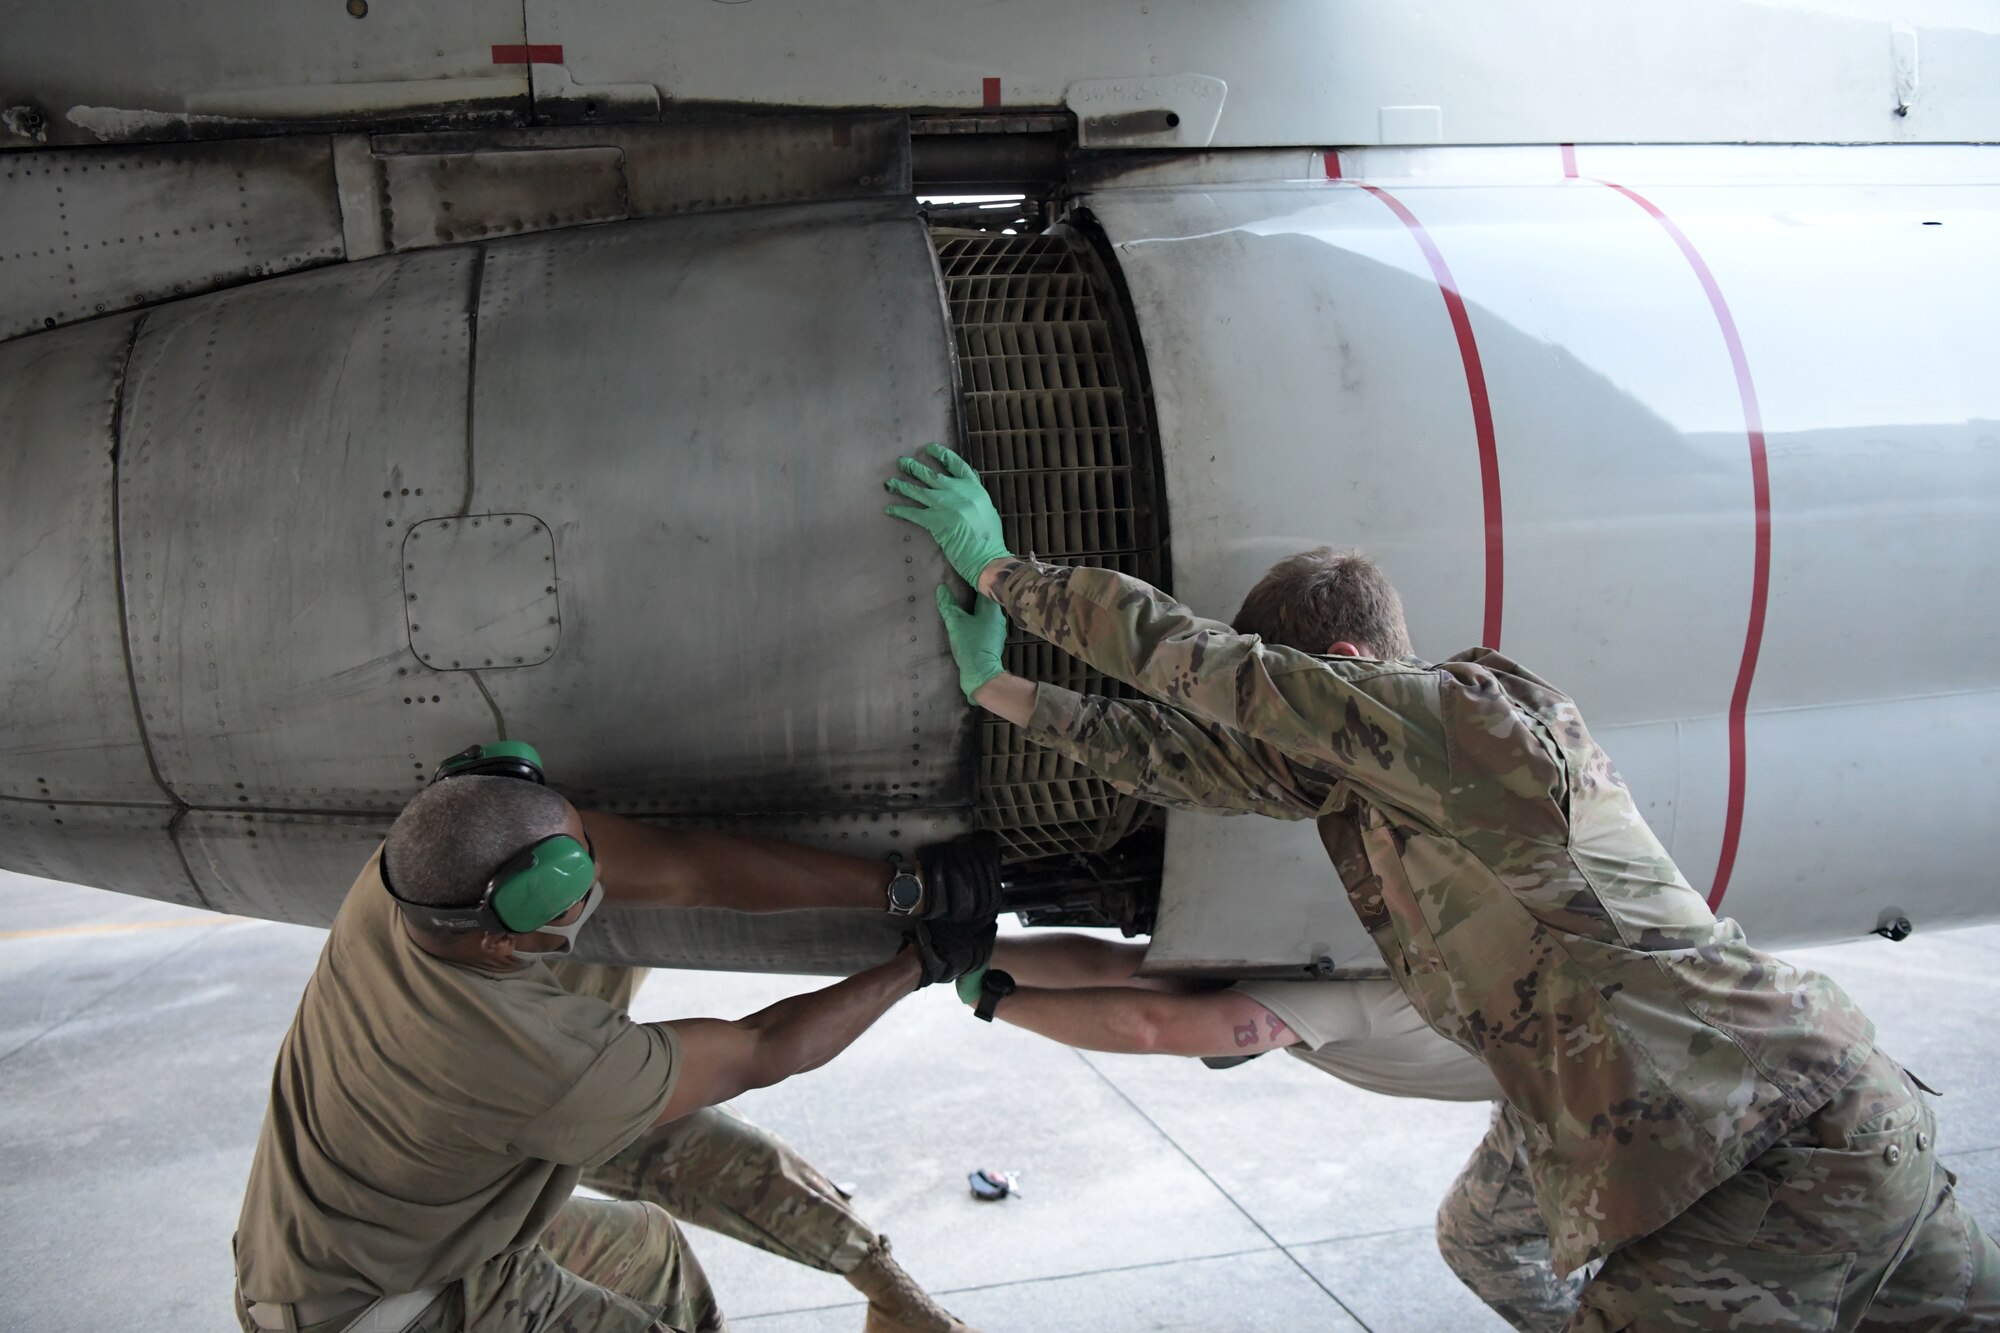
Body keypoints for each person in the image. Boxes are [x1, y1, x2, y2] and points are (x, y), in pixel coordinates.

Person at [887, 444, 2000, 1331]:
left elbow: (1211, 672)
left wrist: (1002, 572)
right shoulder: (1376, 778)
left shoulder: (1464, 725)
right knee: (1478, 1239)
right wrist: (1003, 690)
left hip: (1755, 1135)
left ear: (1344, 662)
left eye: (1302, 691)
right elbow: (1188, 756)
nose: (1282, 723)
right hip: (1653, 1118)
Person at [233, 741, 998, 1333]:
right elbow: (762, 1047)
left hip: (365, 1241)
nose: (600, 880)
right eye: (574, 889)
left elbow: (689, 872)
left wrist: (905, 887)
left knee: (652, 1253)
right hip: (385, 1311)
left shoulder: (424, 868)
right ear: (503, 941)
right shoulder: (535, 1060)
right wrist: (919, 966)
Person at [950, 931, 1585, 1332]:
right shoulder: (1298, 933)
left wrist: (998, 1001)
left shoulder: (1328, 989)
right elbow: (1131, 969)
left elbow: (1155, 1024)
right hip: (1557, 1058)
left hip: (1607, 1089)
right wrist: (971, 950)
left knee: (1482, 1241)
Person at [549, 962, 974, 1332]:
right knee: (650, 1252)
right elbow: (760, 1047)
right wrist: (912, 966)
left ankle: (897, 1302)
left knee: (637, 1122)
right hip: (487, 1235)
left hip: (541, 1077)